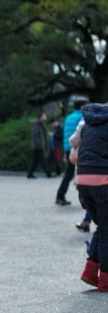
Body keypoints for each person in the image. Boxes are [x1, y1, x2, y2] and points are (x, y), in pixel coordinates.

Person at [76, 102, 108, 291]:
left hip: (83, 180)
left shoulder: (89, 121)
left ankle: (90, 272)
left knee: (103, 227)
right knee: (107, 232)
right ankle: (105, 279)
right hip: (102, 180)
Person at [56, 99, 87, 205]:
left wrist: (66, 150)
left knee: (70, 174)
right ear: (82, 107)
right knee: (79, 174)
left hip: (69, 148)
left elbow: (66, 135)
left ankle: (60, 195)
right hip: (78, 149)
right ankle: (61, 196)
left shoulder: (69, 117)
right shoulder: (81, 117)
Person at [26, 112, 51, 179]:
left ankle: (30, 174)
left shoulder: (41, 124)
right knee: (43, 160)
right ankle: (48, 174)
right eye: (44, 116)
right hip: (38, 146)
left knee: (36, 161)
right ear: (40, 117)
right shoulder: (36, 125)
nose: (45, 117)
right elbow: (35, 136)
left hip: (39, 146)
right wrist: (39, 145)